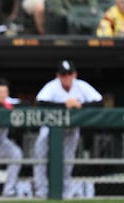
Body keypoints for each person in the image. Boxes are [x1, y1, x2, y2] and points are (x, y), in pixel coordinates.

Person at [33, 59, 103, 198]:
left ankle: (65, 193)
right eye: (63, 74)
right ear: (58, 75)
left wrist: (80, 106)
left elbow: (99, 102)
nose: (67, 77)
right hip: (50, 130)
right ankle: (41, 192)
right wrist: (64, 105)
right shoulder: (52, 86)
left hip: (70, 131)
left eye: (69, 73)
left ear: (75, 74)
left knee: (67, 163)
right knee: (40, 159)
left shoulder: (81, 86)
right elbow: (40, 103)